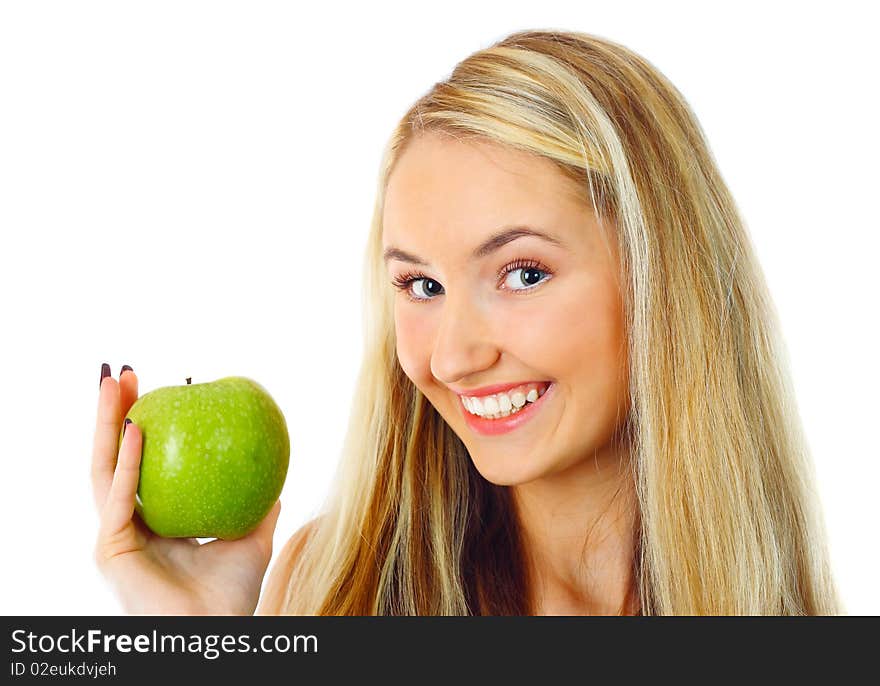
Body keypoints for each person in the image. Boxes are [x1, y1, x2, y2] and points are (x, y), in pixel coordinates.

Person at [92, 29, 842, 615]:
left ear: (661, 277)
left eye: (522, 274)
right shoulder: (332, 591)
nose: (450, 357)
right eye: (421, 285)